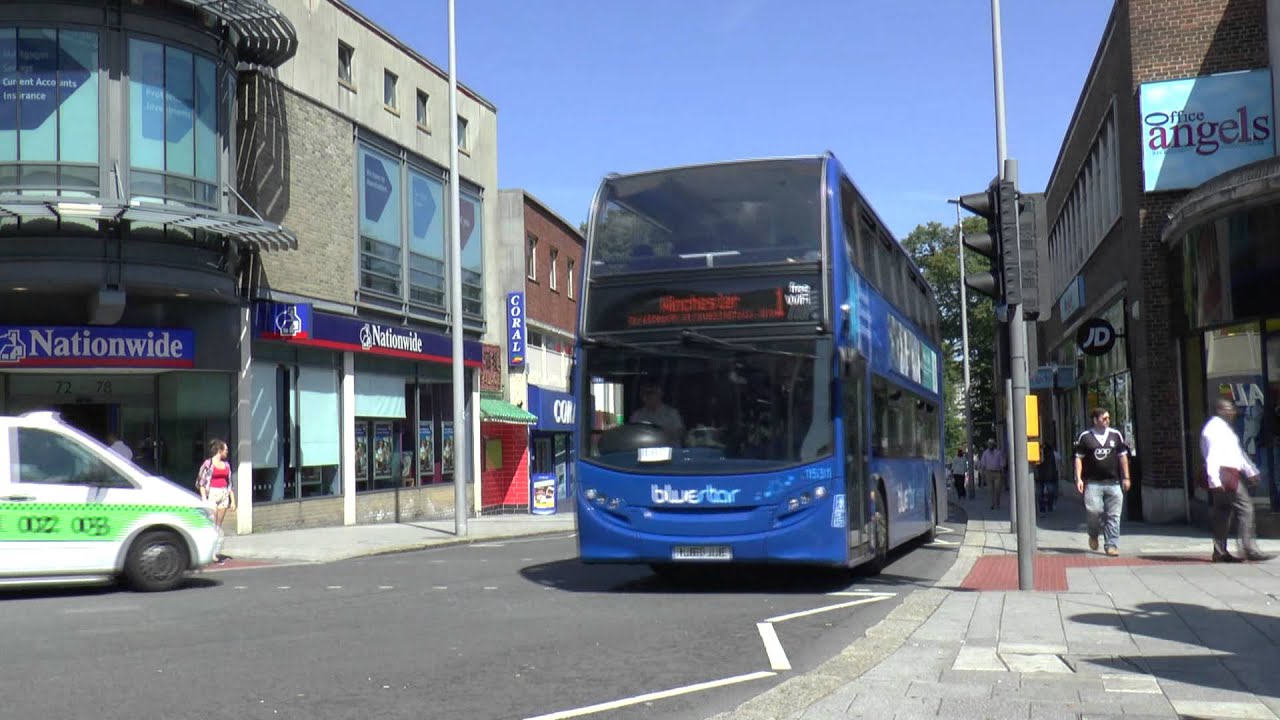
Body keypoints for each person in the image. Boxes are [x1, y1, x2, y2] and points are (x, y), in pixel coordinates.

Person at [1201, 398, 1273, 563]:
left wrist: (1250, 471)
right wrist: (1214, 480)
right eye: (1228, 409)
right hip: (1224, 474)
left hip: (1227, 473)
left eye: (1232, 409)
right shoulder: (1213, 429)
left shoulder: (1225, 429)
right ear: (1220, 410)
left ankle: (1220, 552)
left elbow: (1237, 453)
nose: (1233, 412)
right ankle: (1248, 549)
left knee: (1223, 513)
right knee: (1246, 508)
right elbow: (1212, 456)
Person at [1074, 407, 1130, 556]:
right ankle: (1093, 533)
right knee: (1094, 511)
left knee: (1114, 515)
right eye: (1104, 418)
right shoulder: (1085, 437)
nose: (1107, 421)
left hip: (1113, 482)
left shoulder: (1115, 435)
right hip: (1093, 483)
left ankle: (1111, 544)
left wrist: (1126, 477)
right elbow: (1079, 459)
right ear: (1095, 420)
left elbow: (1123, 457)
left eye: (1108, 418)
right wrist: (1078, 478)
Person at [196, 439, 236, 561]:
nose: (227, 452)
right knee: (211, 524)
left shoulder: (227, 465)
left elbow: (230, 484)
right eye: (226, 450)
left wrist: (233, 500)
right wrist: (204, 498)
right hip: (212, 494)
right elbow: (201, 482)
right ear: (220, 450)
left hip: (223, 494)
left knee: (218, 526)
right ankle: (205, 550)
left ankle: (214, 552)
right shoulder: (208, 464)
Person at [978, 439, 1006, 510]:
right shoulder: (985, 453)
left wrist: (1002, 472)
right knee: (990, 489)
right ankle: (992, 504)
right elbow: (983, 464)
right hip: (989, 473)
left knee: (997, 488)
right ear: (988, 445)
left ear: (994, 445)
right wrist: (982, 473)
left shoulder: (998, 453)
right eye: (989, 444)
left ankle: (997, 502)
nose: (990, 445)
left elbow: (1002, 463)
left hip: (997, 473)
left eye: (991, 444)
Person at [1036, 441, 1059, 513]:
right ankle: (1048, 506)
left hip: (1044, 476)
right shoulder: (1050, 453)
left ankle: (1044, 507)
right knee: (1048, 492)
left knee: (1043, 492)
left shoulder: (1048, 454)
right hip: (1046, 476)